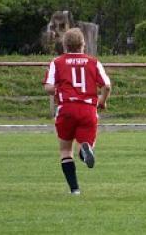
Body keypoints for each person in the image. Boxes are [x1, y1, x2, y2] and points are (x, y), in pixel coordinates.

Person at [43, 28, 111, 195]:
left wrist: (61, 89)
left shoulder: (57, 62)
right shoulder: (93, 62)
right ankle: (84, 150)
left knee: (65, 150)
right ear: (83, 45)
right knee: (84, 146)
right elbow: (107, 86)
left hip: (66, 108)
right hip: (88, 108)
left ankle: (75, 190)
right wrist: (102, 100)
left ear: (64, 45)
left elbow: (48, 87)